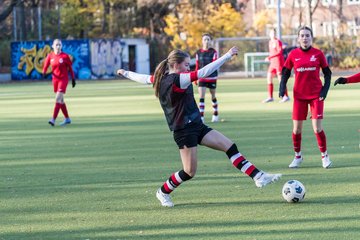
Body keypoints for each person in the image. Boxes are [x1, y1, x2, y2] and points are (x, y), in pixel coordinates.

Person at [117, 46, 281, 207]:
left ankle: (258, 176)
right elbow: (203, 72)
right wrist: (227, 56)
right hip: (184, 131)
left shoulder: (159, 78)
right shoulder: (177, 80)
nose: (189, 67)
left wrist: (125, 73)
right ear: (176, 65)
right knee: (189, 172)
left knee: (230, 146)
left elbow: (142, 77)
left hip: (197, 125)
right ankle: (163, 192)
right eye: (186, 64)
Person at [279, 26, 332, 169]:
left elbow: (327, 73)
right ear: (298, 38)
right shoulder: (293, 54)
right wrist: (282, 87)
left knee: (317, 128)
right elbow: (285, 72)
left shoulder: (318, 54)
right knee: (296, 130)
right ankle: (298, 157)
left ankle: (324, 156)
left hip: (316, 96)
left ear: (311, 37)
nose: (305, 38)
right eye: (302, 35)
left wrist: (324, 91)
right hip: (299, 96)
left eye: (307, 35)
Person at [43, 39, 76, 127]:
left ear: (61, 46)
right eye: (56, 45)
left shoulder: (65, 56)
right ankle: (67, 119)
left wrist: (73, 79)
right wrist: (44, 73)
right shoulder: (50, 56)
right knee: (61, 101)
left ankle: (53, 119)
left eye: (60, 45)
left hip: (63, 80)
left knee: (57, 99)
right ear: (53, 46)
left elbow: (70, 69)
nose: (58, 46)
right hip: (55, 80)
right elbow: (45, 66)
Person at [195, 33, 220, 122]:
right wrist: (195, 77)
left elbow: (215, 64)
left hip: (212, 77)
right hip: (202, 77)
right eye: (205, 39)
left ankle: (215, 114)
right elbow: (197, 65)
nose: (206, 41)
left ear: (210, 41)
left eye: (208, 39)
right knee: (201, 97)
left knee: (213, 96)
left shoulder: (214, 52)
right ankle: (201, 117)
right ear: (202, 41)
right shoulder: (198, 52)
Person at [263, 28, 290, 103]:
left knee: (280, 80)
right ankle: (270, 97)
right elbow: (272, 52)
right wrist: (270, 59)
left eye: (274, 33)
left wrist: (269, 57)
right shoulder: (270, 42)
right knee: (269, 78)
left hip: (279, 62)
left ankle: (286, 96)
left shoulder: (278, 42)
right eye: (272, 33)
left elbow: (279, 52)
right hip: (273, 63)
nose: (273, 34)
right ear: (269, 34)